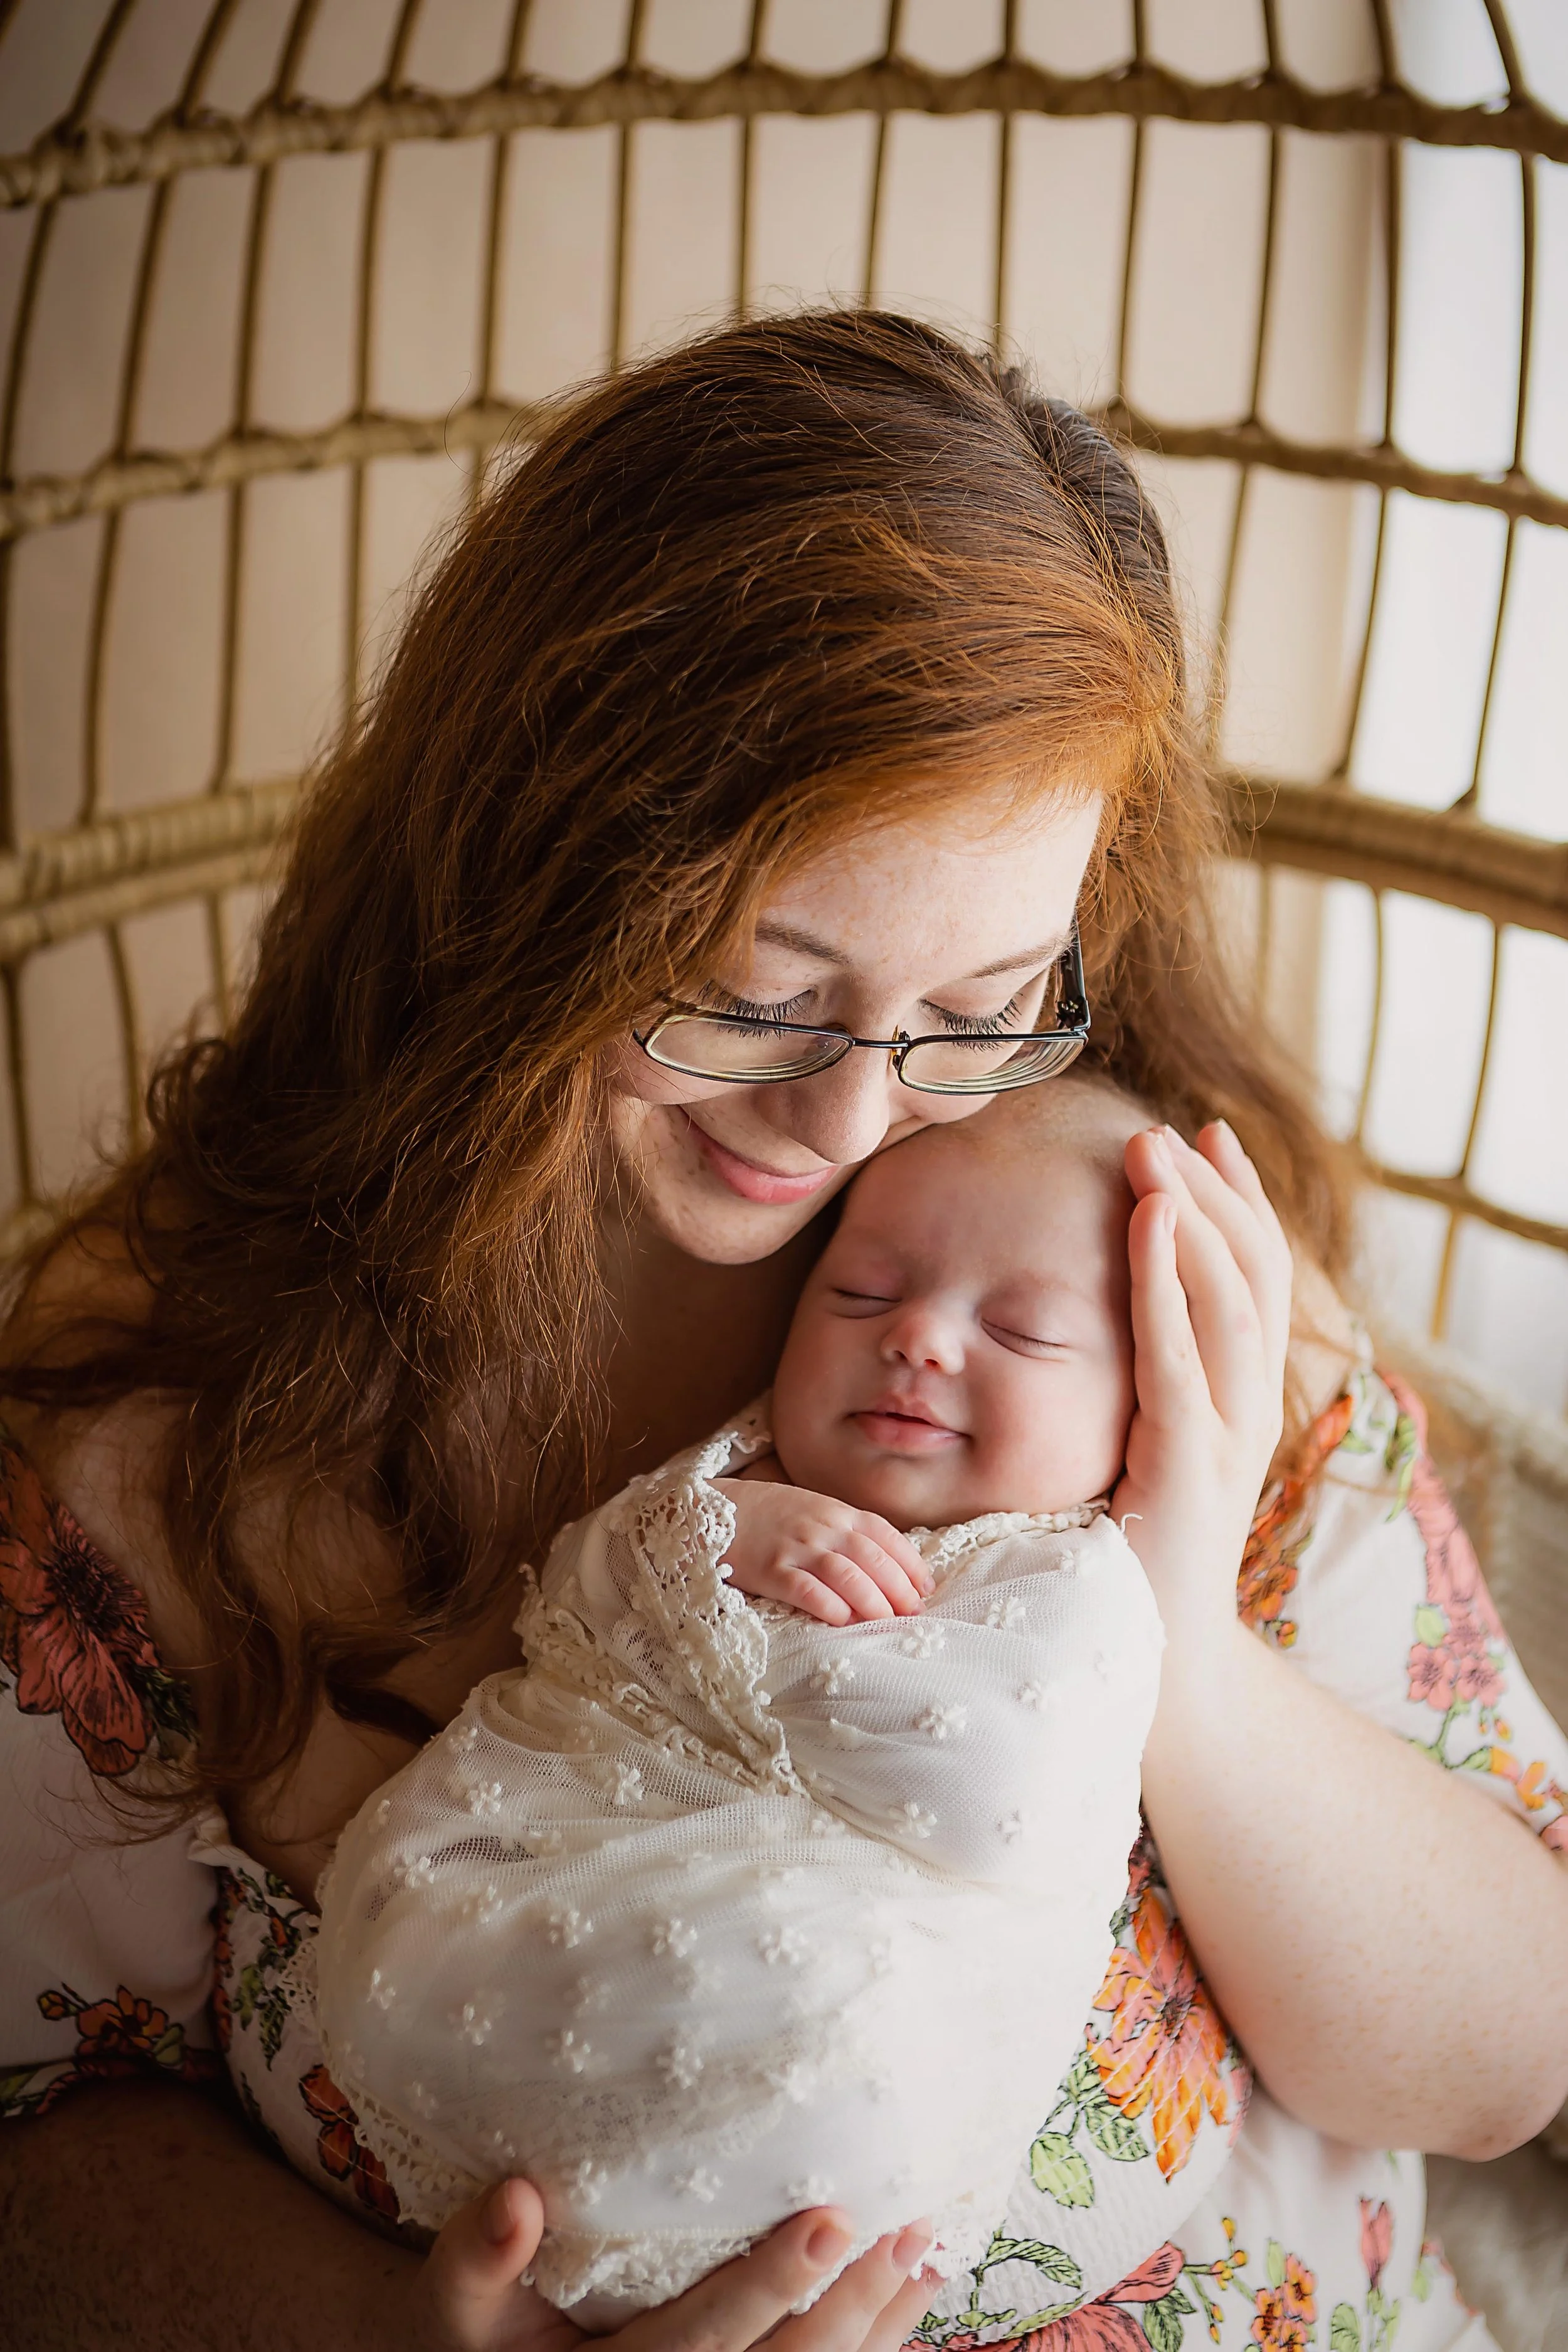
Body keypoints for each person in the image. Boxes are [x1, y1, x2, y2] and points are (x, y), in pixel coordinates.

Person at [0, 311, 1564, 2352]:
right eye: (752, 988)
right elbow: (33, 2114)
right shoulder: (165, 1420)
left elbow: (1499, 2059)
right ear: (517, 878)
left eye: (982, 1000)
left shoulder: (1115, 1257)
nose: (849, 1121)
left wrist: (1174, 1622)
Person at [313, 1084, 1165, 2321]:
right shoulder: (738, 1465)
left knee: (834, 1998)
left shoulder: (1073, 1577)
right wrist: (707, 1532)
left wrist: (730, 1654)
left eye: (1023, 1333)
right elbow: (567, 1597)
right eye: (859, 1294)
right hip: (519, 1911)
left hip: (798, 2050)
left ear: (1139, 1403)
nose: (917, 1339)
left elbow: (1002, 1791)